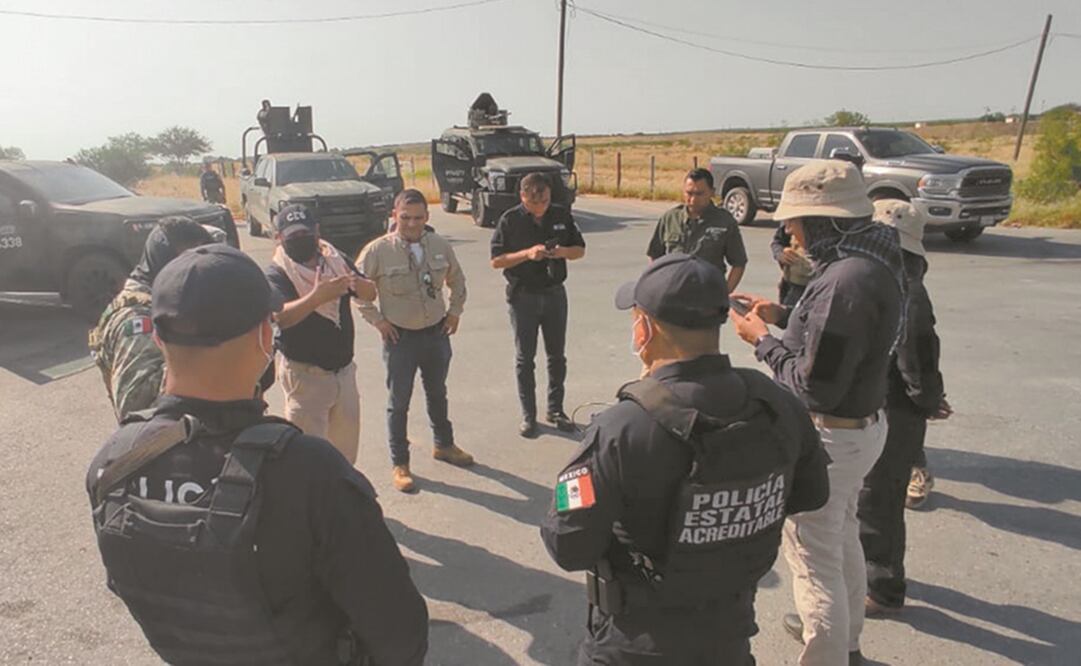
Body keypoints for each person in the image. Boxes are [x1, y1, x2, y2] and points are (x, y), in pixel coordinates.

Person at [86, 244, 428, 666]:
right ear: (267, 337)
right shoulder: (310, 474)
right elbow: (400, 633)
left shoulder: (114, 463)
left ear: (158, 339)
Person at [541, 253, 830, 666]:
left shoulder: (621, 429)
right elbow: (812, 494)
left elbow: (568, 543)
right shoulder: (778, 405)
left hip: (633, 646)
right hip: (727, 639)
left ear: (646, 327)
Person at [730, 160, 905, 666]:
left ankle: (829, 650)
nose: (789, 230)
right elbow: (839, 340)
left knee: (812, 556)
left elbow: (814, 387)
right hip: (861, 429)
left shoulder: (843, 282)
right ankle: (845, 642)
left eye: (797, 220)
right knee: (841, 533)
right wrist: (785, 316)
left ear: (825, 219)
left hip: (831, 436)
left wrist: (761, 341)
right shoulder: (872, 258)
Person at [858, 200, 952, 614]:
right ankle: (872, 574)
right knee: (872, 499)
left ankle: (882, 589)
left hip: (894, 411)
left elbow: (917, 359)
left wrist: (927, 401)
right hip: (886, 407)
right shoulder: (896, 280)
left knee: (879, 501)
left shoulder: (906, 290)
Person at [357, 189, 473, 492]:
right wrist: (378, 321)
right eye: (405, 217)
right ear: (394, 215)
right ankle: (401, 464)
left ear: (427, 217)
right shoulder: (377, 251)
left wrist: (454, 312)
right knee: (399, 403)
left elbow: (457, 280)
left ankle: (444, 445)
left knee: (437, 393)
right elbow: (355, 290)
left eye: (418, 218)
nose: (411, 224)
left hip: (436, 333)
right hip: (401, 339)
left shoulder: (439, 245)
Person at [264, 203, 375, 466]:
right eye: (291, 237)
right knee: (306, 456)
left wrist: (360, 285)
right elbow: (282, 316)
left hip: (344, 372)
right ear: (279, 238)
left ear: (316, 231)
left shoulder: (336, 260)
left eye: (304, 234)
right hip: (306, 376)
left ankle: (343, 499)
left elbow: (371, 294)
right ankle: (311, 506)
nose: (299, 241)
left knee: (345, 452)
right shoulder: (277, 272)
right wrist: (316, 298)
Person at [89, 217, 214, 421]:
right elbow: (135, 407)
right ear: (167, 261)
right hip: (165, 443)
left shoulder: (165, 302)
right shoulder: (137, 320)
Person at [490, 172, 586, 438]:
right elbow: (496, 260)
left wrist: (561, 252)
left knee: (557, 356)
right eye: (534, 202)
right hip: (524, 296)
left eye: (544, 200)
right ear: (523, 196)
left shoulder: (560, 215)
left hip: (554, 293)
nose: (541, 206)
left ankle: (555, 409)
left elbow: (579, 249)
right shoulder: (510, 220)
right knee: (525, 359)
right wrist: (526, 254)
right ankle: (528, 415)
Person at [647, 168, 747, 294]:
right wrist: (658, 284)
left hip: (707, 299)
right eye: (689, 193)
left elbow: (739, 263)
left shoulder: (724, 222)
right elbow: (655, 255)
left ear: (712, 192)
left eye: (699, 194)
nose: (693, 200)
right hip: (672, 295)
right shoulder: (670, 218)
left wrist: (724, 294)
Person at [770, 225, 813, 308]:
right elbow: (778, 242)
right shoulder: (791, 219)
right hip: (792, 286)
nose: (788, 230)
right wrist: (780, 253)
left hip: (815, 286)